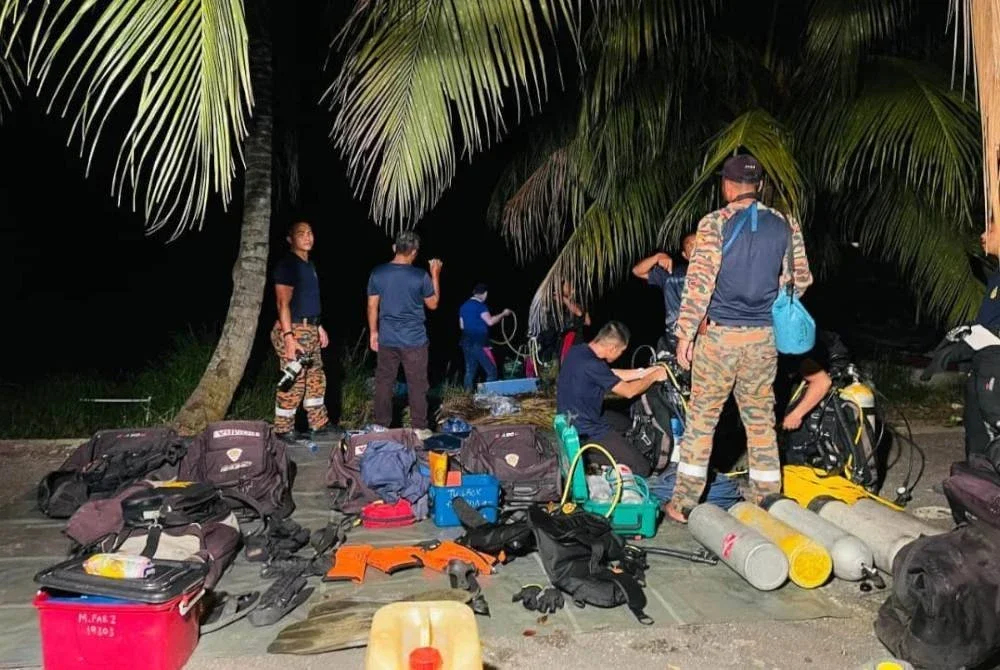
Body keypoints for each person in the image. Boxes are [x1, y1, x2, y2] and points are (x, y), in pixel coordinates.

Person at [666, 154, 813, 523]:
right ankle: (768, 498)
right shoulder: (785, 224)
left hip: (719, 339)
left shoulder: (715, 223)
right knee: (761, 420)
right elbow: (801, 279)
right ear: (759, 185)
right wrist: (769, 298)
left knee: (702, 420)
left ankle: (683, 504)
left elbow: (699, 283)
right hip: (763, 338)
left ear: (727, 187)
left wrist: (685, 335)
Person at [556, 321, 669, 476]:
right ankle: (585, 458)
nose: (620, 355)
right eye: (621, 351)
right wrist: (655, 376)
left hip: (572, 419)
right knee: (642, 468)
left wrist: (642, 373)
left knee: (627, 425)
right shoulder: (593, 364)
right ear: (612, 348)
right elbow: (629, 392)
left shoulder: (578, 351)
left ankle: (611, 449)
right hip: (586, 429)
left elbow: (609, 373)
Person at [367, 230, 442, 437]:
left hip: (387, 338)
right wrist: (435, 273)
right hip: (414, 341)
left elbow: (372, 306)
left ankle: (381, 426)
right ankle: (419, 428)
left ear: (394, 248)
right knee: (417, 383)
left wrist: (373, 333)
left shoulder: (378, 273)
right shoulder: (421, 276)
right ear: (415, 252)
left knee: (384, 382)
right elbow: (433, 304)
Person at [271, 221, 332, 442]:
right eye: (301, 234)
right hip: (294, 330)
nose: (307, 237)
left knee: (316, 378)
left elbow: (306, 299)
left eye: (310, 232)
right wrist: (288, 338)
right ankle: (283, 428)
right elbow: (282, 303)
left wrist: (318, 326)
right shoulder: (288, 265)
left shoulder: (309, 265)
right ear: (290, 239)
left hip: (310, 328)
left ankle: (318, 424)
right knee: (294, 378)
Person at [632, 232, 698, 353]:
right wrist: (657, 257)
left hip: (705, 338)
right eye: (690, 245)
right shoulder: (671, 275)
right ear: (684, 255)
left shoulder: (719, 273)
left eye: (699, 244)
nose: (695, 248)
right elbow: (637, 271)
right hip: (674, 338)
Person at [458, 283, 512, 392]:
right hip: (478, 343)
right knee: (491, 371)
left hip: (466, 342)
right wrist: (503, 314)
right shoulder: (481, 306)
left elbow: (462, 326)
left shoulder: (463, 306)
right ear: (485, 294)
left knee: (470, 371)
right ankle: (489, 397)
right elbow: (490, 322)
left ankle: (466, 397)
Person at [557, 281, 591, 363]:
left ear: (572, 289)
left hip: (575, 339)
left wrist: (564, 298)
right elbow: (587, 321)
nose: (561, 288)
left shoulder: (578, 299)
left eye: (564, 285)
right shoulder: (561, 303)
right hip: (563, 339)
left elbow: (580, 313)